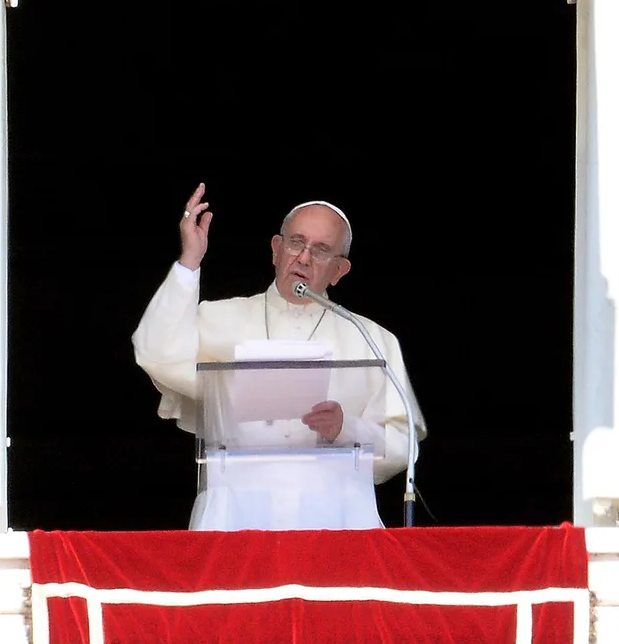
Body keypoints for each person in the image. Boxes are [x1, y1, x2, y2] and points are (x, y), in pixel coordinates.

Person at [132, 183, 427, 529]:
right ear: (276, 249)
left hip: (337, 518)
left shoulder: (371, 339)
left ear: (339, 271)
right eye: (296, 243)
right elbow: (156, 353)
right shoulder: (220, 318)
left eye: (321, 250)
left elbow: (403, 442)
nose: (303, 258)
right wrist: (189, 262)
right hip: (235, 515)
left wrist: (346, 428)